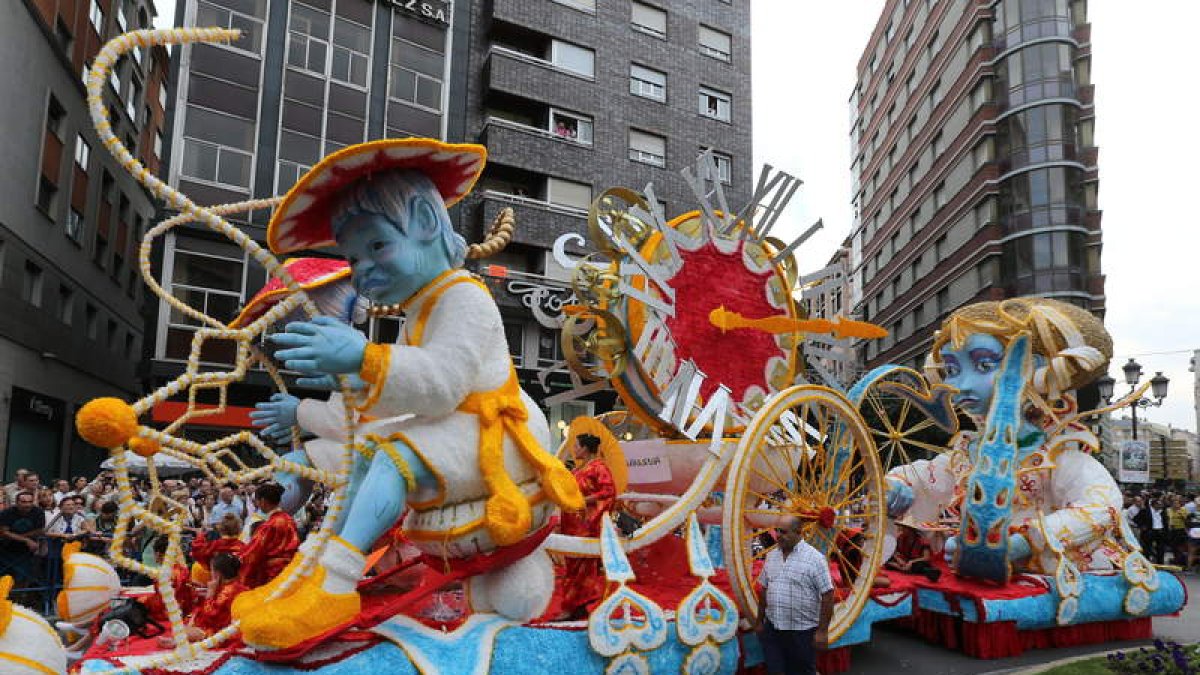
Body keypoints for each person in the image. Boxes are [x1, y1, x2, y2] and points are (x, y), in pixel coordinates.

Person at [753, 516, 834, 675]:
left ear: (799, 532)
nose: (778, 535)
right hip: (773, 628)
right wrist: (759, 621)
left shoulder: (815, 559)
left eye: (783, 532)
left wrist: (822, 631)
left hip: (801, 632)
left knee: (801, 671)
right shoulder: (771, 556)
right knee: (775, 670)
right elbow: (763, 589)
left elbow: (828, 595)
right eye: (777, 531)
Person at [556, 433, 617, 620]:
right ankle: (578, 606)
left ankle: (572, 607)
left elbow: (609, 491)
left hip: (585, 524)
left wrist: (584, 501)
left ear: (584, 448)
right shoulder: (579, 469)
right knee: (572, 566)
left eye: (576, 445)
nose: (574, 449)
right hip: (571, 523)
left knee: (583, 567)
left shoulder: (599, 467)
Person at [165, 552, 248, 644]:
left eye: (211, 570)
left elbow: (209, 614)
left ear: (217, 574)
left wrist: (210, 593)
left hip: (228, 632)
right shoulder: (237, 586)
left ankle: (197, 637)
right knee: (187, 623)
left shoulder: (228, 591)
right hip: (234, 627)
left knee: (181, 630)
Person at [236, 483, 299, 589]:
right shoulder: (289, 519)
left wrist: (238, 558)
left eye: (257, 501)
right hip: (289, 568)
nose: (257, 504)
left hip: (272, 572)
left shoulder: (270, 524)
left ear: (263, 501)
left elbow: (255, 550)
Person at [0, 491, 46, 584]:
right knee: (5, 575)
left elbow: (39, 530)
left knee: (25, 575)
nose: (27, 505)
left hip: (28, 550)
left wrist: (18, 537)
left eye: (30, 502)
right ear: (17, 502)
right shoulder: (7, 512)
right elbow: (4, 532)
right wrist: (26, 540)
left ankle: (22, 595)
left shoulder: (38, 512)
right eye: (24, 502)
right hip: (6, 548)